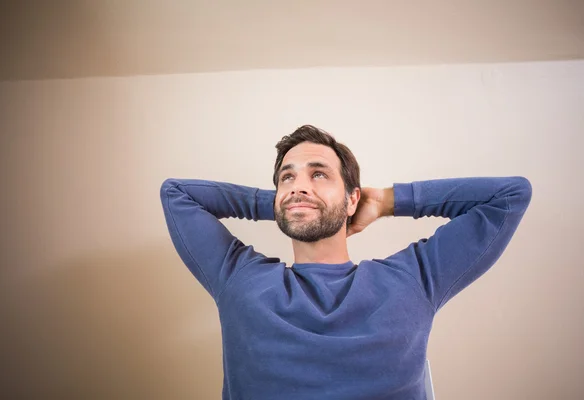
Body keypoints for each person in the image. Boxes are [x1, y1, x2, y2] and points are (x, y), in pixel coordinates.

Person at [160, 125, 532, 400]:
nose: (298, 185)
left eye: (318, 174)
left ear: (353, 199)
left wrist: (387, 200)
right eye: (287, 178)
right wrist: (286, 204)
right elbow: (175, 193)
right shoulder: (240, 280)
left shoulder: (411, 280)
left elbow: (511, 194)